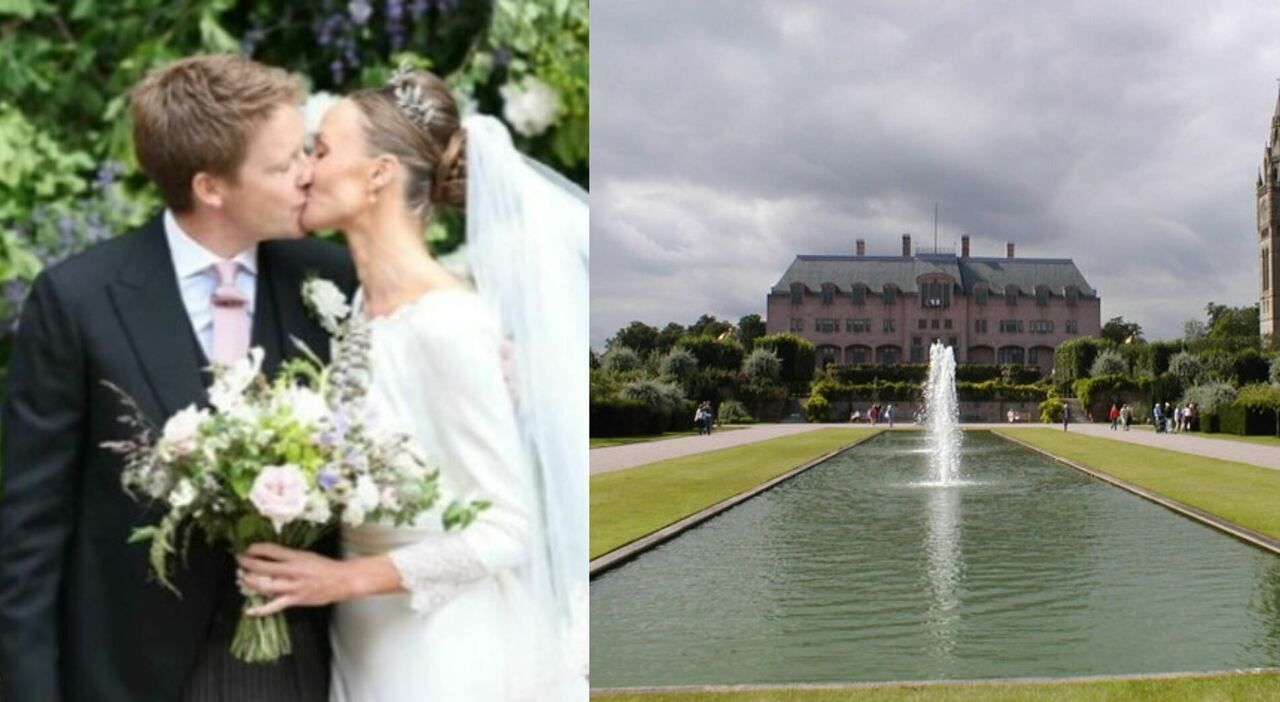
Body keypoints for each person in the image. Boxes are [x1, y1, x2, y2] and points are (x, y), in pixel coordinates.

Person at [0, 55, 357, 702]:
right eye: (282, 166)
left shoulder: (333, 280)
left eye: (304, 151)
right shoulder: (77, 300)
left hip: (302, 662)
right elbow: (30, 531)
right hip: (130, 672)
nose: (308, 174)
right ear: (210, 187)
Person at [235, 67, 586, 700]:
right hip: (360, 643)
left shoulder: (449, 323)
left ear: (378, 175)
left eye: (320, 150)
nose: (305, 171)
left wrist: (341, 580)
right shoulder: (354, 316)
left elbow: (509, 529)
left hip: (441, 652)